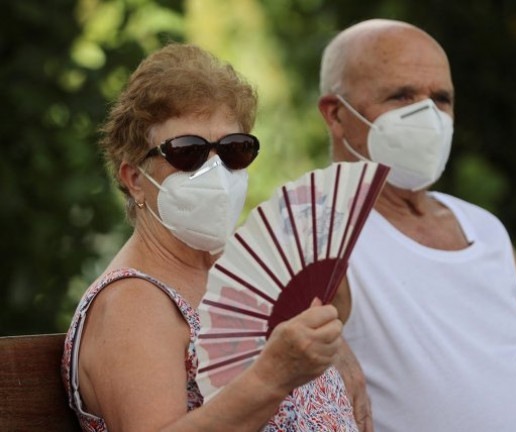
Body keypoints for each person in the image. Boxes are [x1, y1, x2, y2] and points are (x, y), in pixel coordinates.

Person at [318, 19, 516, 431]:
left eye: (441, 99)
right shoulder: (314, 234)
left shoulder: (483, 228)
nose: (427, 114)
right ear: (336, 115)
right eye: (401, 96)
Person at [61, 43, 358, 431]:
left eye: (235, 150)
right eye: (188, 152)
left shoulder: (245, 269)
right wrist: (271, 377)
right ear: (135, 179)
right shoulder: (132, 303)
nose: (216, 171)